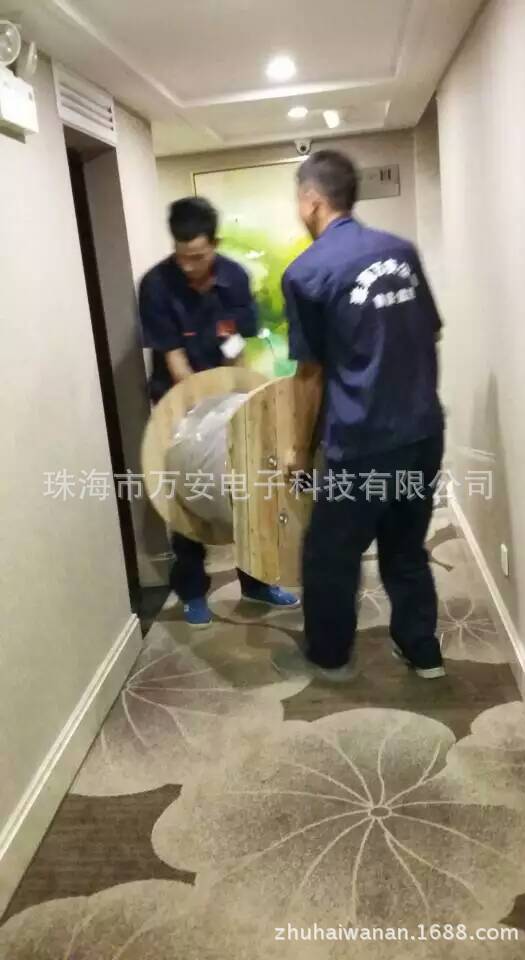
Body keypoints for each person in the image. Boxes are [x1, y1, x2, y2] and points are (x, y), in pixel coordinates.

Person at [277, 150, 445, 682]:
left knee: (330, 554)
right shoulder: (401, 251)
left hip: (362, 442)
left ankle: (329, 655)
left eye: (299, 201)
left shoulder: (306, 272)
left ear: (312, 200)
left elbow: (310, 374)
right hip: (423, 431)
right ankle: (422, 649)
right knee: (406, 546)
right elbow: (430, 331)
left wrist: (298, 450)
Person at [139, 196, 298, 626]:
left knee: (249, 490)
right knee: (186, 497)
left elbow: (237, 346)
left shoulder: (235, 278)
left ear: (215, 244)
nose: (189, 266)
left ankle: (257, 582)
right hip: (179, 401)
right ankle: (193, 592)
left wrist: (238, 405)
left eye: (198, 256)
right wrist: (201, 416)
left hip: (226, 396)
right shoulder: (156, 285)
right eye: (182, 256)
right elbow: (174, 358)